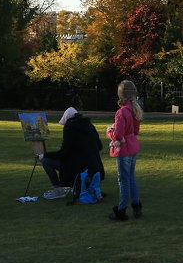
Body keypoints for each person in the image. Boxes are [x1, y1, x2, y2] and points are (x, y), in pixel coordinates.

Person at [40, 107, 105, 201]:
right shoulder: (90, 126)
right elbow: (100, 146)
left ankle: (58, 189)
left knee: (46, 161)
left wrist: (44, 155)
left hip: (77, 167)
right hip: (94, 167)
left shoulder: (70, 129)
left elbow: (63, 153)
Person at [107, 80, 143, 221]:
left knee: (123, 180)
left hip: (125, 149)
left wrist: (110, 131)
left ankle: (121, 210)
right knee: (131, 177)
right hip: (133, 146)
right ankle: (136, 205)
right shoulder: (134, 109)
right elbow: (135, 131)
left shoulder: (122, 112)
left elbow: (118, 135)